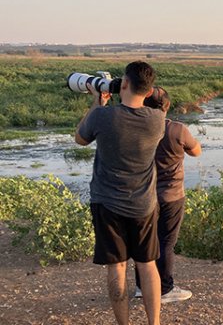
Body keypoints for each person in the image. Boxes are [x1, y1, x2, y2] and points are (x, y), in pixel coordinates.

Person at [76, 61, 165, 325]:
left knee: (117, 267)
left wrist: (98, 101)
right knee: (147, 264)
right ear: (148, 92)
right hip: (144, 205)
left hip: (107, 203)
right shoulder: (157, 121)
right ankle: (155, 323)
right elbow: (153, 102)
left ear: (123, 83)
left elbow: (80, 138)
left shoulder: (103, 116)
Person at [134, 87, 202, 303]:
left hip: (142, 195)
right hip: (171, 195)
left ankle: (141, 287)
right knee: (165, 243)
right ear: (167, 106)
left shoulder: (135, 129)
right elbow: (196, 151)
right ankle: (164, 289)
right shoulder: (177, 129)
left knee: (144, 242)